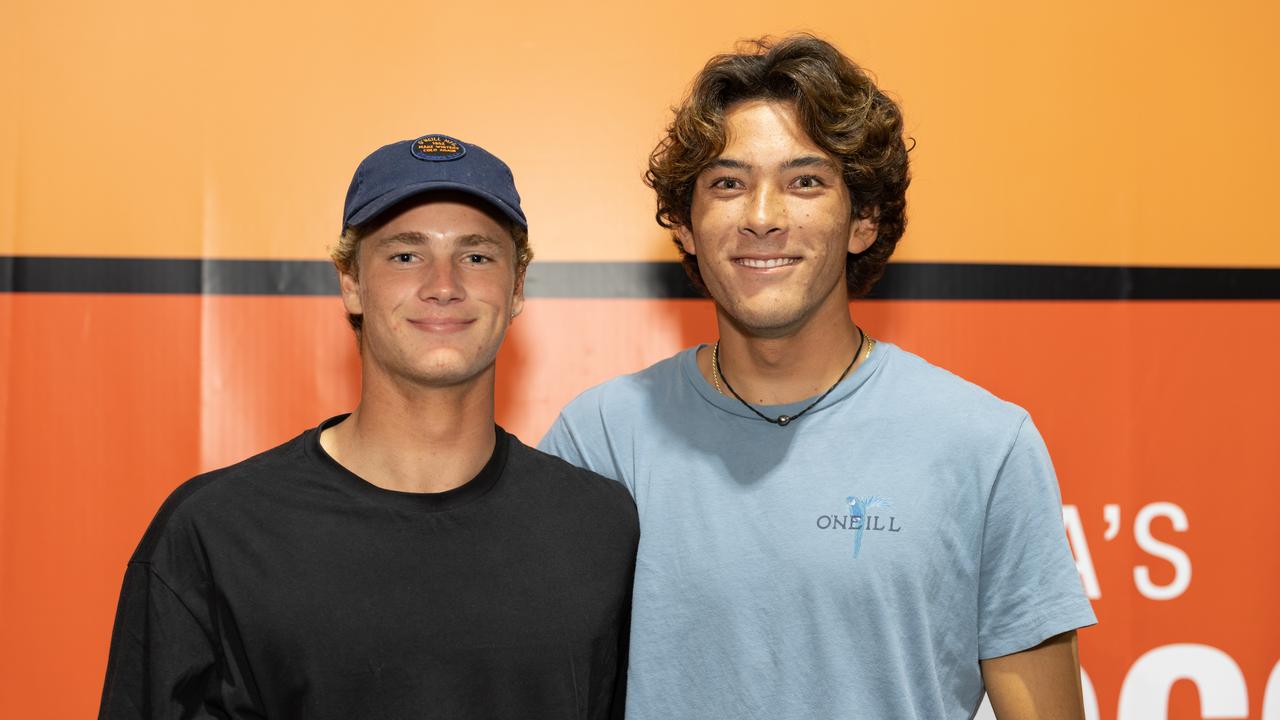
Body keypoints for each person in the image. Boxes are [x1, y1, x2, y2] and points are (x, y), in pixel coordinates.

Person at [539, 36, 1095, 719]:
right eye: (727, 183)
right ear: (686, 226)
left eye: (805, 181)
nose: (763, 216)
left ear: (864, 219)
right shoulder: (600, 440)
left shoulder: (983, 445)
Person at [100, 133, 638, 719]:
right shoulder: (215, 532)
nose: (443, 285)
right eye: (406, 255)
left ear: (516, 288)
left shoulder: (600, 528)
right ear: (351, 282)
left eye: (477, 256)